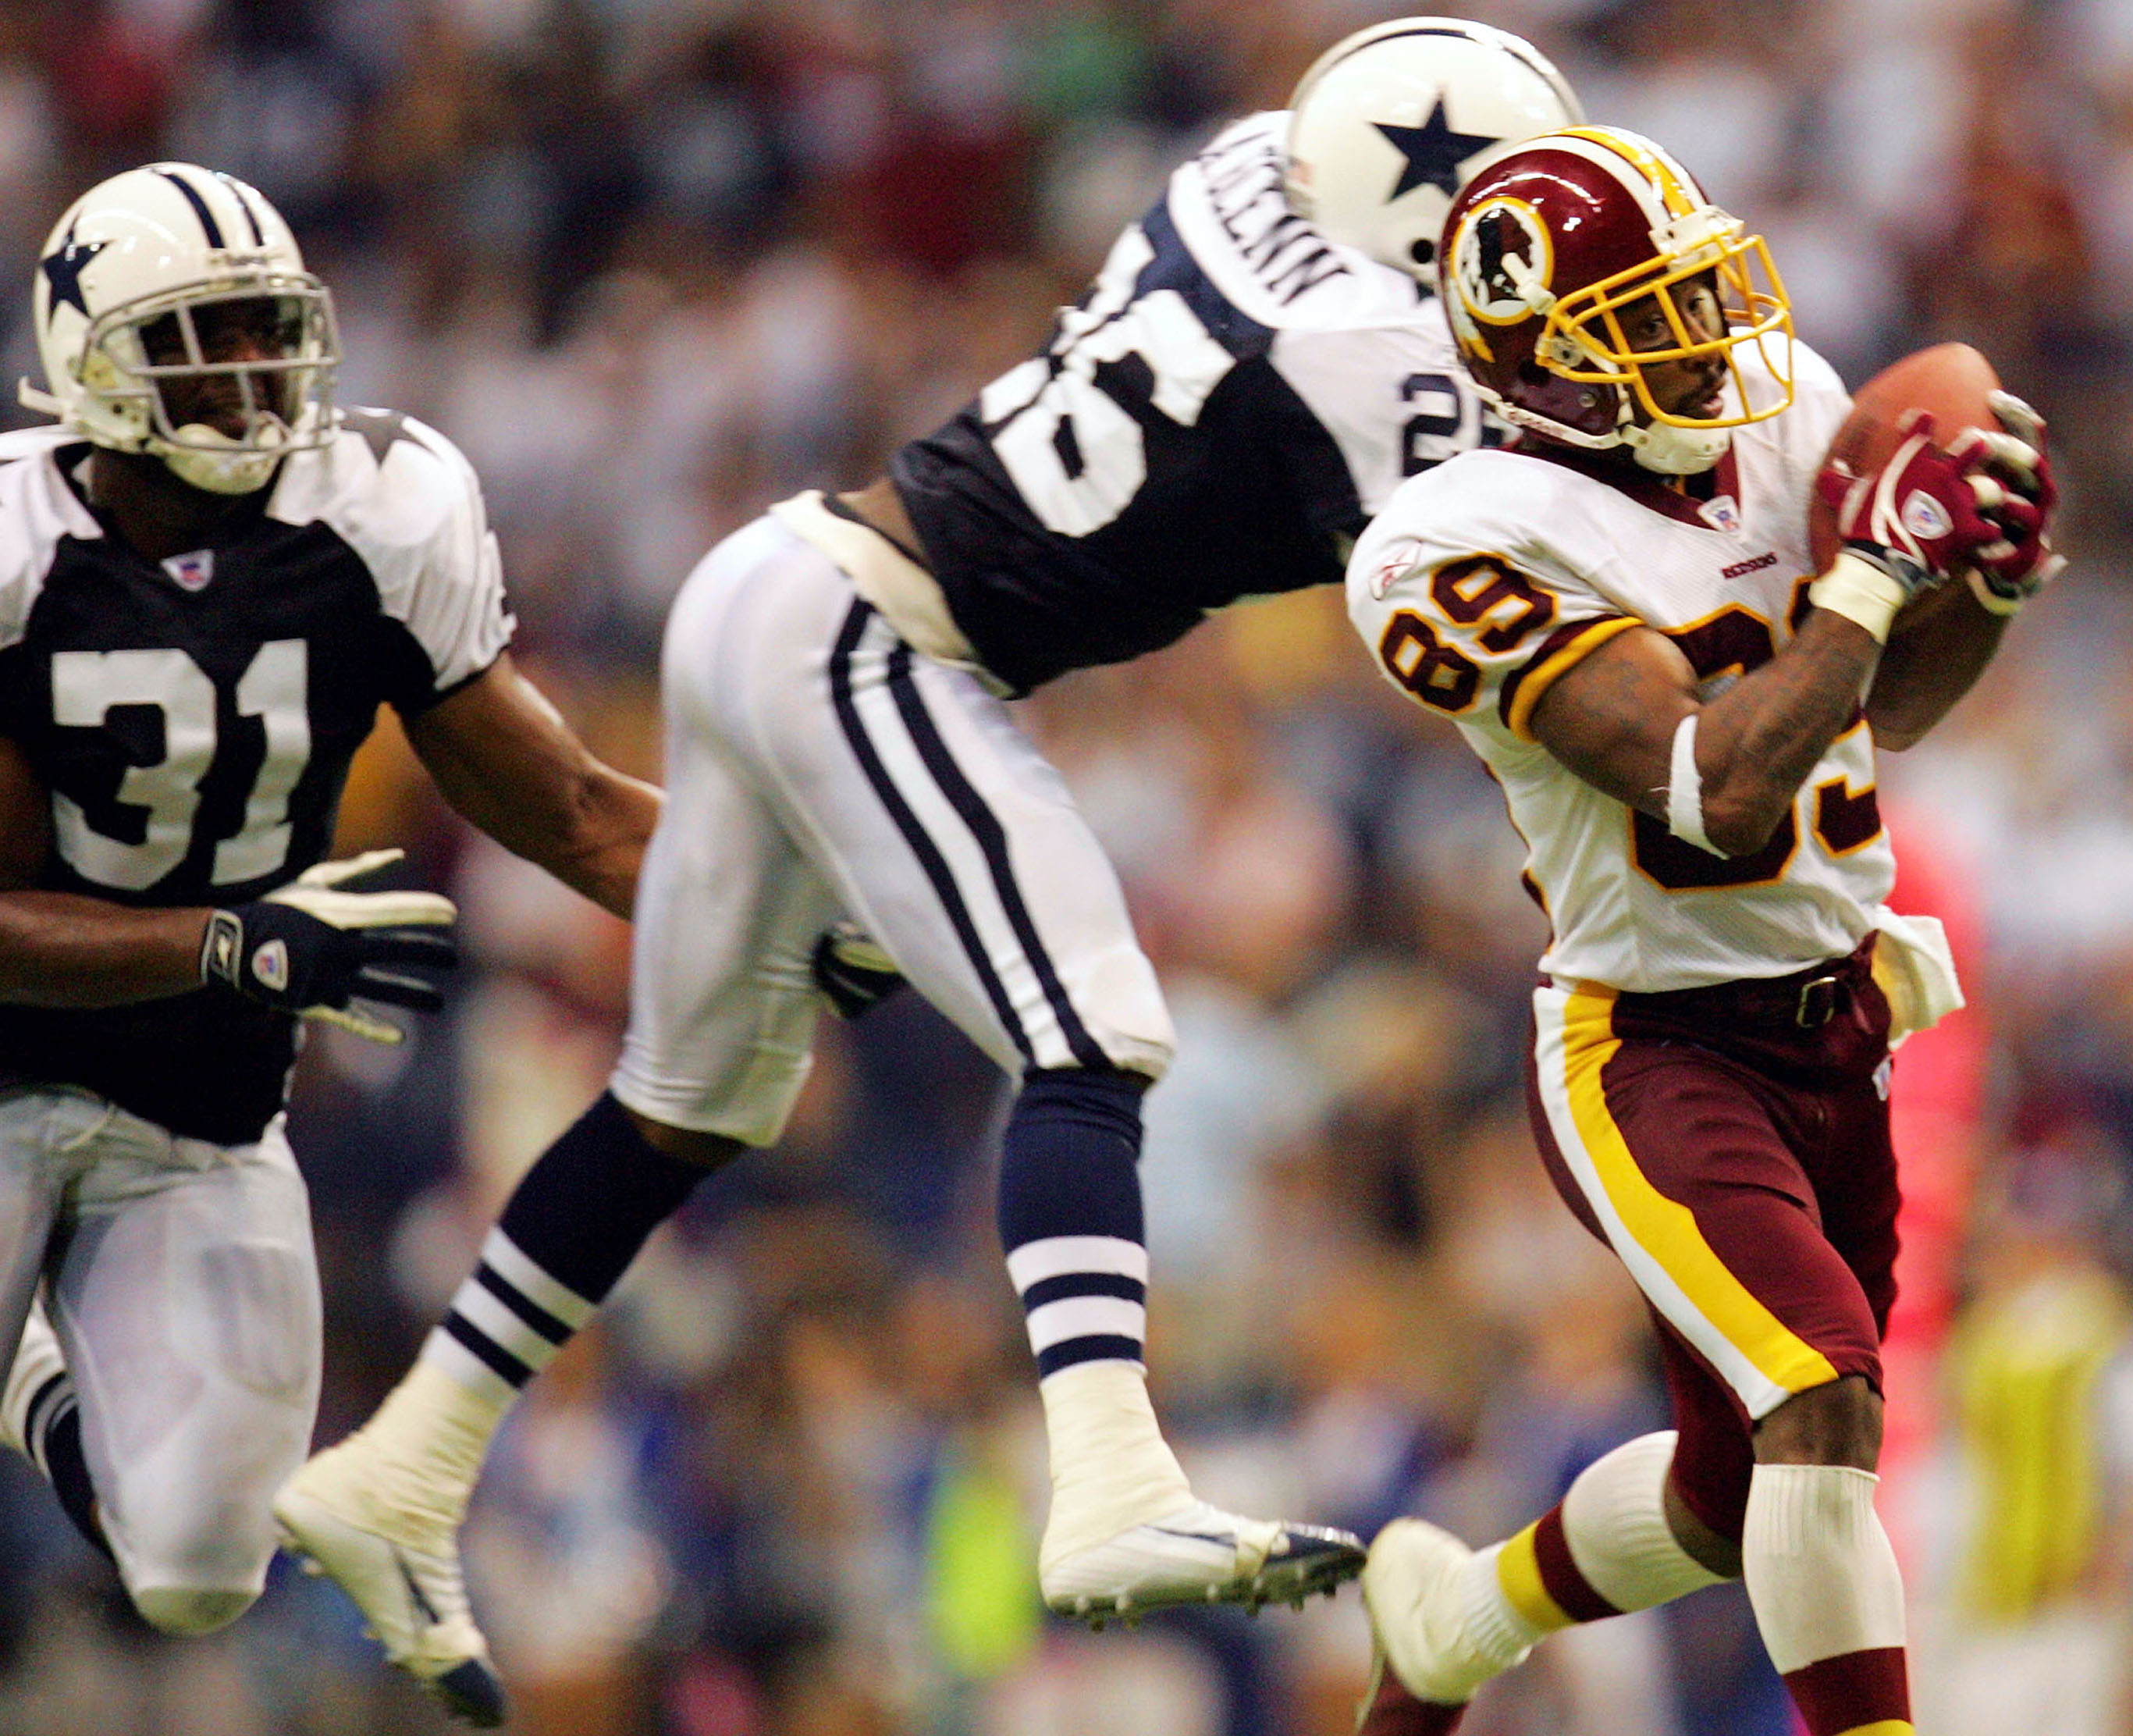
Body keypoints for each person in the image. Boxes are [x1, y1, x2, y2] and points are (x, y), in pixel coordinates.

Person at [273, 17, 1583, 1725]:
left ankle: (404, 1459)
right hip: (881, 639)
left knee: (696, 1094)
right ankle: (1113, 1475)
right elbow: (1478, 616)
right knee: (1094, 1027)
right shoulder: (1383, 369)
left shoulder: (1239, 171)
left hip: (779, 580)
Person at [1342, 127, 2060, 1736]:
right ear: (1548, 365)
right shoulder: (1449, 545)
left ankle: (1464, 1611)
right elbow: (1710, 791)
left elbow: (1899, 704)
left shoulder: (1787, 401)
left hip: (1840, 1017)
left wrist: (1979, 590)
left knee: (1735, 1499)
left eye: (1699, 296)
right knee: (1822, 1398)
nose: (1709, 341)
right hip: (1654, 1040)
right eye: (1647, 321)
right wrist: (1879, 568)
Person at [0, 163, 660, 1679]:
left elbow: (567, 804)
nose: (246, 377)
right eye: (200, 340)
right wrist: (229, 944)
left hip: (200, 1113)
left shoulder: (375, 507)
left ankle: (35, 1383)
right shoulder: (19, 552)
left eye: (262, 332)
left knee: (195, 1567)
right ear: (91, 363)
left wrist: (805, 908)